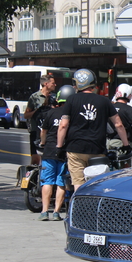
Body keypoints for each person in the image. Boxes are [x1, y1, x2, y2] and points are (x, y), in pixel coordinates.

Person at [56, 69, 130, 191]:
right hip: (97, 148)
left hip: (75, 149)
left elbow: (63, 125)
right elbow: (118, 124)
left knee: (78, 183)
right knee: (97, 184)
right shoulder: (104, 101)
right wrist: (126, 145)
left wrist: (59, 147)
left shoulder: (71, 100)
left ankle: (79, 208)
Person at [37, 85, 74, 221]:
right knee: (61, 183)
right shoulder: (73, 115)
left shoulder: (51, 113)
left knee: (47, 181)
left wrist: (42, 143)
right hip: (64, 152)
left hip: (49, 151)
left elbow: (44, 132)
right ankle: (57, 212)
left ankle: (44, 211)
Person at [24, 74, 56, 165]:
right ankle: (34, 176)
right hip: (36, 131)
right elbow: (26, 115)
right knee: (35, 159)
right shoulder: (34, 97)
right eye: (53, 83)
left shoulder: (54, 97)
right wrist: (38, 111)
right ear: (46, 84)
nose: (55, 85)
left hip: (50, 132)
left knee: (49, 159)